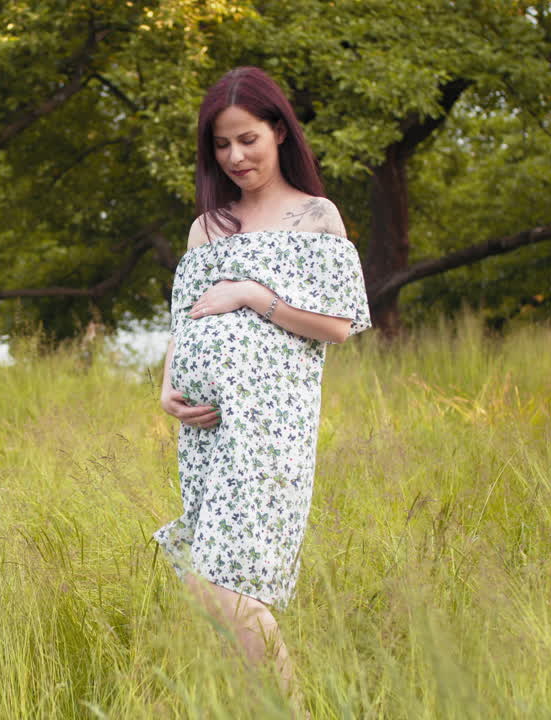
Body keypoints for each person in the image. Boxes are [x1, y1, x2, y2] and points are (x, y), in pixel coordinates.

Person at [153, 66, 371, 703]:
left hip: (271, 428)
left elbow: (337, 325)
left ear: (278, 131)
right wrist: (167, 388)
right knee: (210, 573)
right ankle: (270, 703)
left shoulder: (314, 216)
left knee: (220, 583)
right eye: (221, 145)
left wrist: (254, 296)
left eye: (247, 139)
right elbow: (185, 319)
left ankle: (291, 707)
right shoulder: (208, 226)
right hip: (206, 434)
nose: (235, 156)